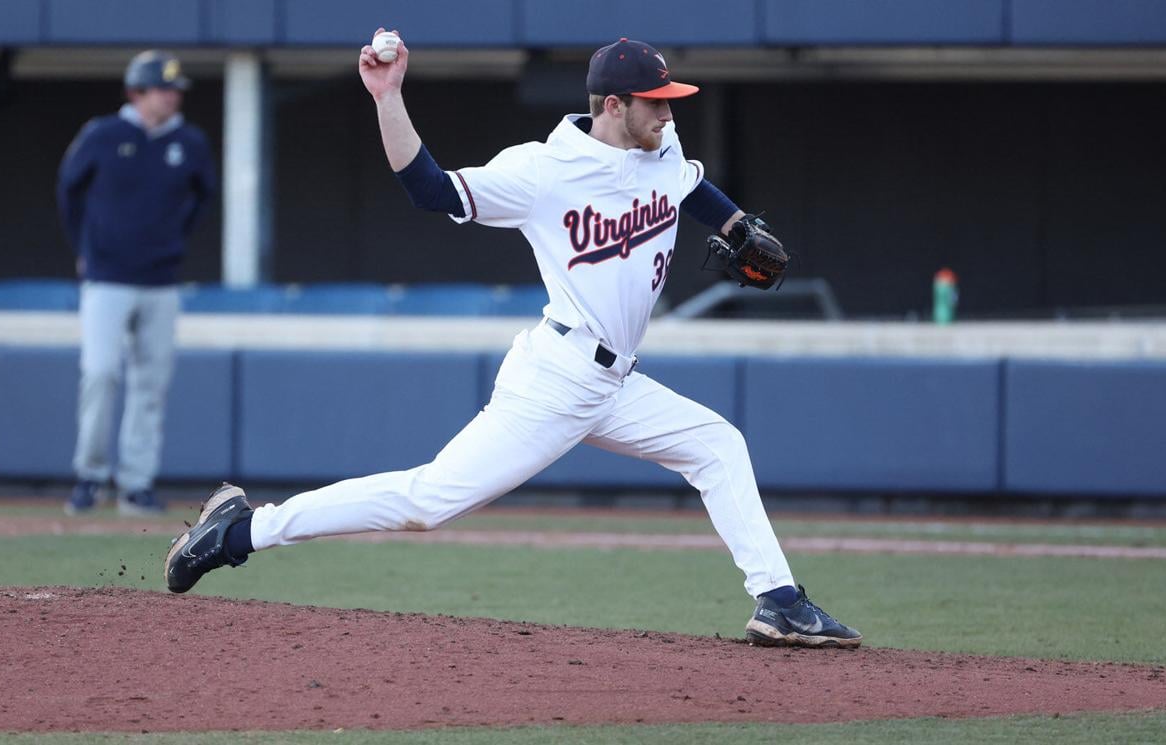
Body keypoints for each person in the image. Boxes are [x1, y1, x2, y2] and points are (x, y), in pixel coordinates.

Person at [164, 32, 861, 648]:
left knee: (718, 444)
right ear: (612, 105)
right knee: (427, 501)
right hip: (558, 377)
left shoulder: (661, 144)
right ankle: (240, 530)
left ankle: (779, 602)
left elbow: (690, 187)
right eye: (655, 101)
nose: (668, 112)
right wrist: (388, 96)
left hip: (615, 384)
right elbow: (431, 190)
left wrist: (738, 226)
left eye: (669, 100)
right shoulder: (541, 171)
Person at [57, 50, 217, 515]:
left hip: (161, 280)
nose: (172, 97)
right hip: (107, 278)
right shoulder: (103, 134)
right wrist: (84, 249)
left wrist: (172, 243)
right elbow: (69, 189)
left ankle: (136, 483)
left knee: (152, 383)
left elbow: (202, 199)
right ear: (136, 92)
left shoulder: (189, 142)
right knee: (101, 372)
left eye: (175, 90)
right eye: (162, 89)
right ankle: (89, 476)